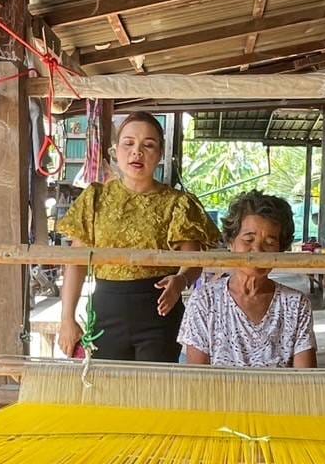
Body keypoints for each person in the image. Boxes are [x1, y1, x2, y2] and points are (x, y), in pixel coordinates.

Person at [56, 112, 219, 361]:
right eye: (129, 143)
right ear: (116, 150)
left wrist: (180, 280)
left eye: (148, 145)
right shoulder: (95, 199)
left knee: (155, 385)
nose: (137, 152)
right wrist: (67, 318)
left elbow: (193, 261)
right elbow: (76, 263)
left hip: (159, 311)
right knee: (106, 384)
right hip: (106, 310)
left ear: (160, 153)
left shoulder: (178, 204)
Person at [180, 191, 317, 368]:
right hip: (219, 388)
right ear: (231, 242)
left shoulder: (295, 305)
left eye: (269, 243)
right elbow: (198, 378)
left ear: (280, 250)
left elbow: (305, 379)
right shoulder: (205, 301)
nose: (257, 251)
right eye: (248, 239)